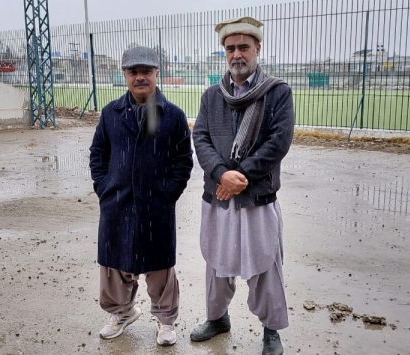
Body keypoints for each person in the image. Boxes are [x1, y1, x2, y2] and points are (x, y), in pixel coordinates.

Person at [190, 16, 294, 355]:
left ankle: (271, 331)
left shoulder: (277, 92)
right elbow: (201, 136)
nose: (237, 54)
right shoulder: (211, 96)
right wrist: (221, 173)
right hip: (218, 193)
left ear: (257, 49)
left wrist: (240, 176)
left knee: (265, 265)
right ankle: (218, 317)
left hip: (256, 197)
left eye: (244, 47)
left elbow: (279, 141)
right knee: (217, 264)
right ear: (225, 52)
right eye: (230, 48)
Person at [89, 46, 193, 347]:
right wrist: (104, 187)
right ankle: (122, 312)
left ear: (156, 73)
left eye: (146, 71)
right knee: (115, 262)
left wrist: (168, 193)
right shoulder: (110, 114)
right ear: (124, 75)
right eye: (133, 71)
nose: (140, 77)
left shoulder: (171, 116)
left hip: (155, 204)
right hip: (116, 202)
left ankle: (165, 320)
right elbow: (98, 153)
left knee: (159, 266)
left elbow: (183, 161)